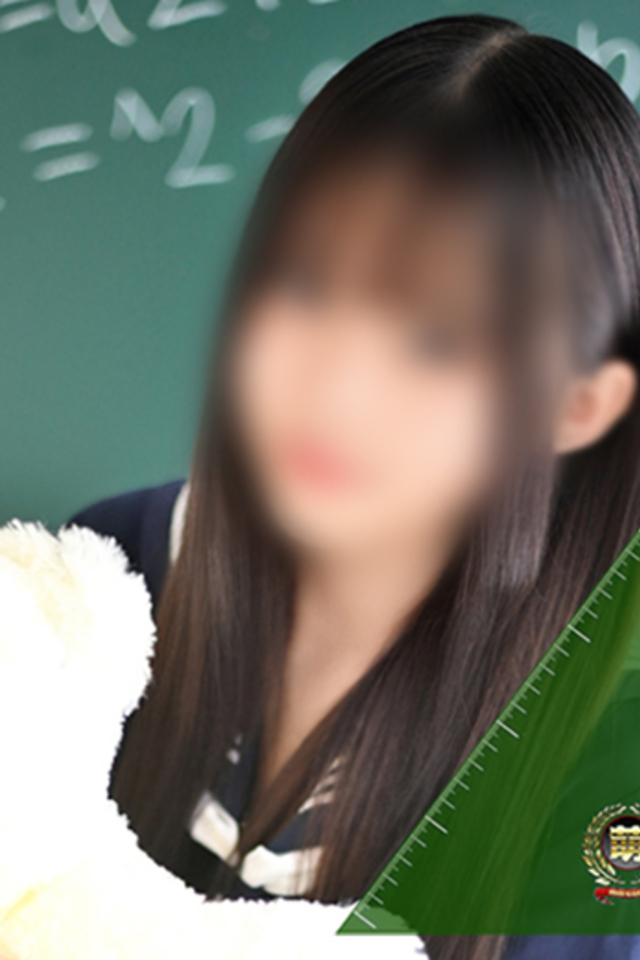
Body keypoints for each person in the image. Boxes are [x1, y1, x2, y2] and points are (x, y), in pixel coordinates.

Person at [71, 15, 640, 960]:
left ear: (576, 406)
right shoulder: (106, 575)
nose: (335, 390)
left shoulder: (605, 767)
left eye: (437, 340)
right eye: (304, 283)